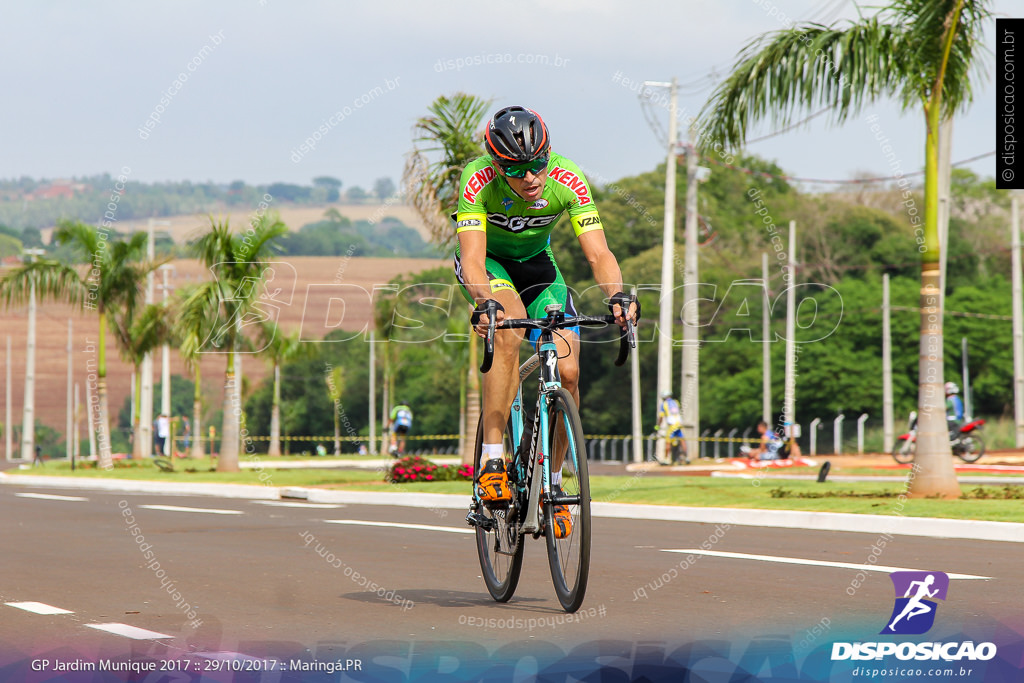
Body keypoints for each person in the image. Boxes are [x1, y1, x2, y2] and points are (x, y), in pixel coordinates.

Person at [456, 105, 639, 539]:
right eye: (518, 170)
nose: (532, 176)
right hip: (491, 268)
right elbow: (475, 260)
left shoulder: (568, 178)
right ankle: (493, 462)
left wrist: (616, 296)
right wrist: (485, 302)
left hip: (540, 268)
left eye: (539, 163)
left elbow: (598, 253)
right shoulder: (476, 180)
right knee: (511, 329)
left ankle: (553, 485)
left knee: (570, 371)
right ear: (498, 164)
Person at [655, 391, 688, 465]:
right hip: (679, 424)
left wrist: (657, 426)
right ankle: (686, 457)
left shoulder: (664, 404)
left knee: (668, 442)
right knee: (682, 440)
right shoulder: (676, 402)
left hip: (672, 426)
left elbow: (661, 417)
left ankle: (666, 459)